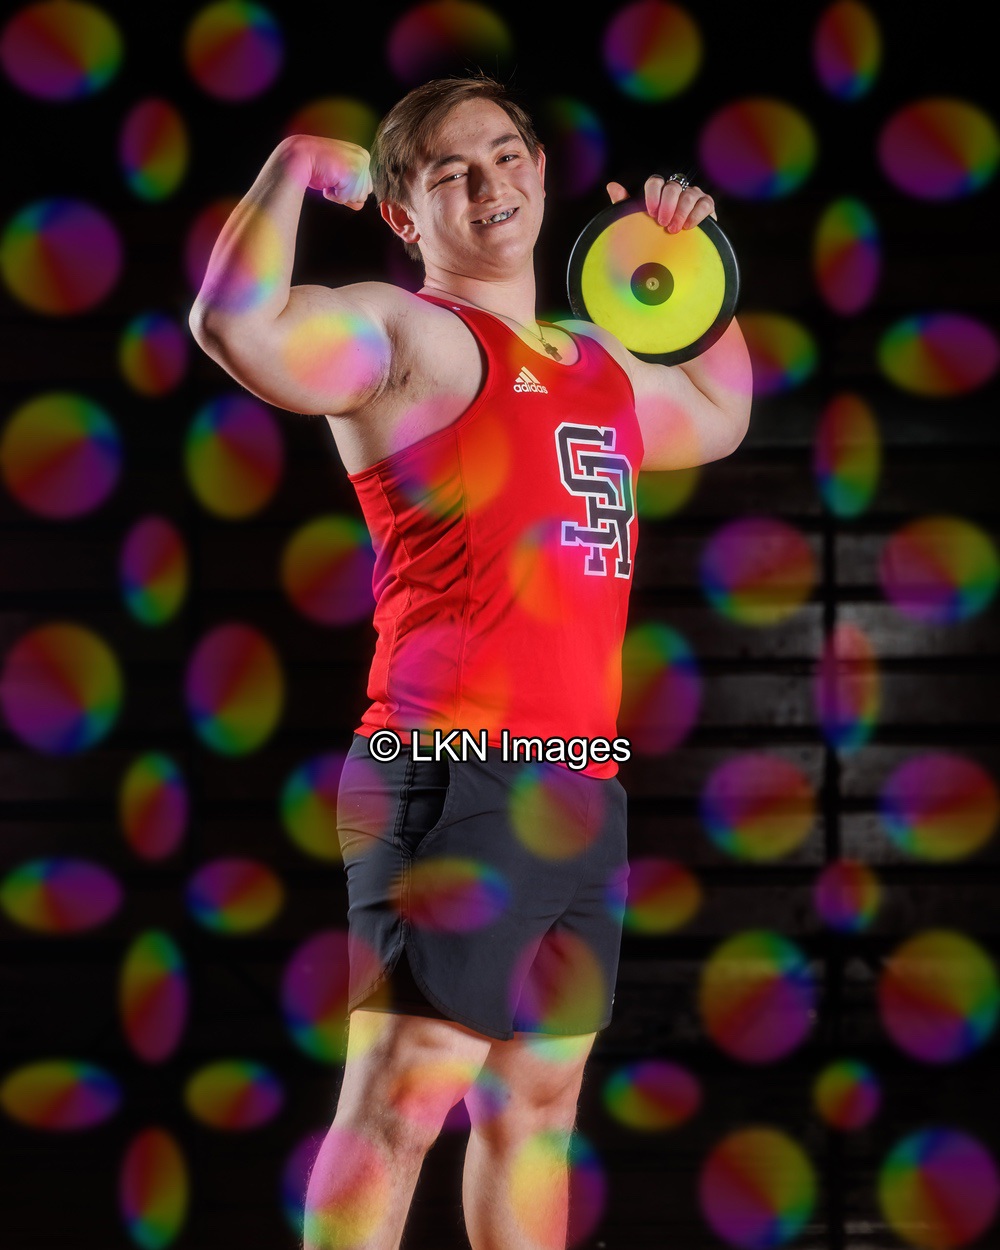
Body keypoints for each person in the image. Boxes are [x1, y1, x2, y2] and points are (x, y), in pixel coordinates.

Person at [190, 73, 751, 1250]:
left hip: (579, 779)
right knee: (404, 1092)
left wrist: (687, 265)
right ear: (404, 216)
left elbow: (717, 408)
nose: (488, 182)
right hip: (452, 765)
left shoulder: (600, 359)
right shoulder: (403, 336)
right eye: (451, 170)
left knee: (536, 1109)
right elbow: (235, 326)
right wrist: (291, 171)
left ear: (541, 170)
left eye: (504, 154)